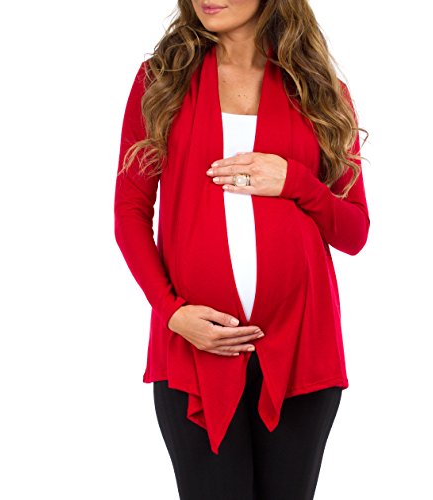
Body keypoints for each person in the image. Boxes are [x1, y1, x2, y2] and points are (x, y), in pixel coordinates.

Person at [114, 1, 370, 498]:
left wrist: (295, 180)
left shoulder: (321, 92)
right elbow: (130, 212)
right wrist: (172, 312)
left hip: (301, 349)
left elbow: (354, 232)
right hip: (193, 346)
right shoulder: (162, 83)